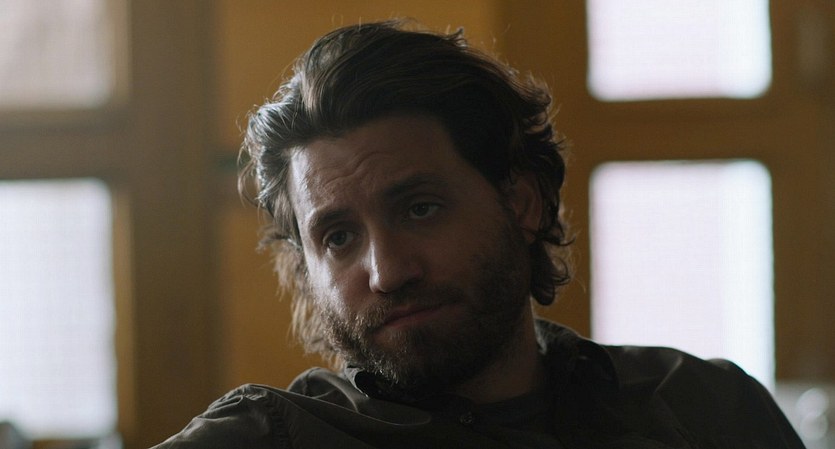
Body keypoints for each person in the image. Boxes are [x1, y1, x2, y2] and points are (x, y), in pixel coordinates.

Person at [153, 20, 805, 448]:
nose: (387, 271)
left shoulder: (706, 409)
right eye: (339, 237)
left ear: (521, 201)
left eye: (420, 209)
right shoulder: (268, 438)